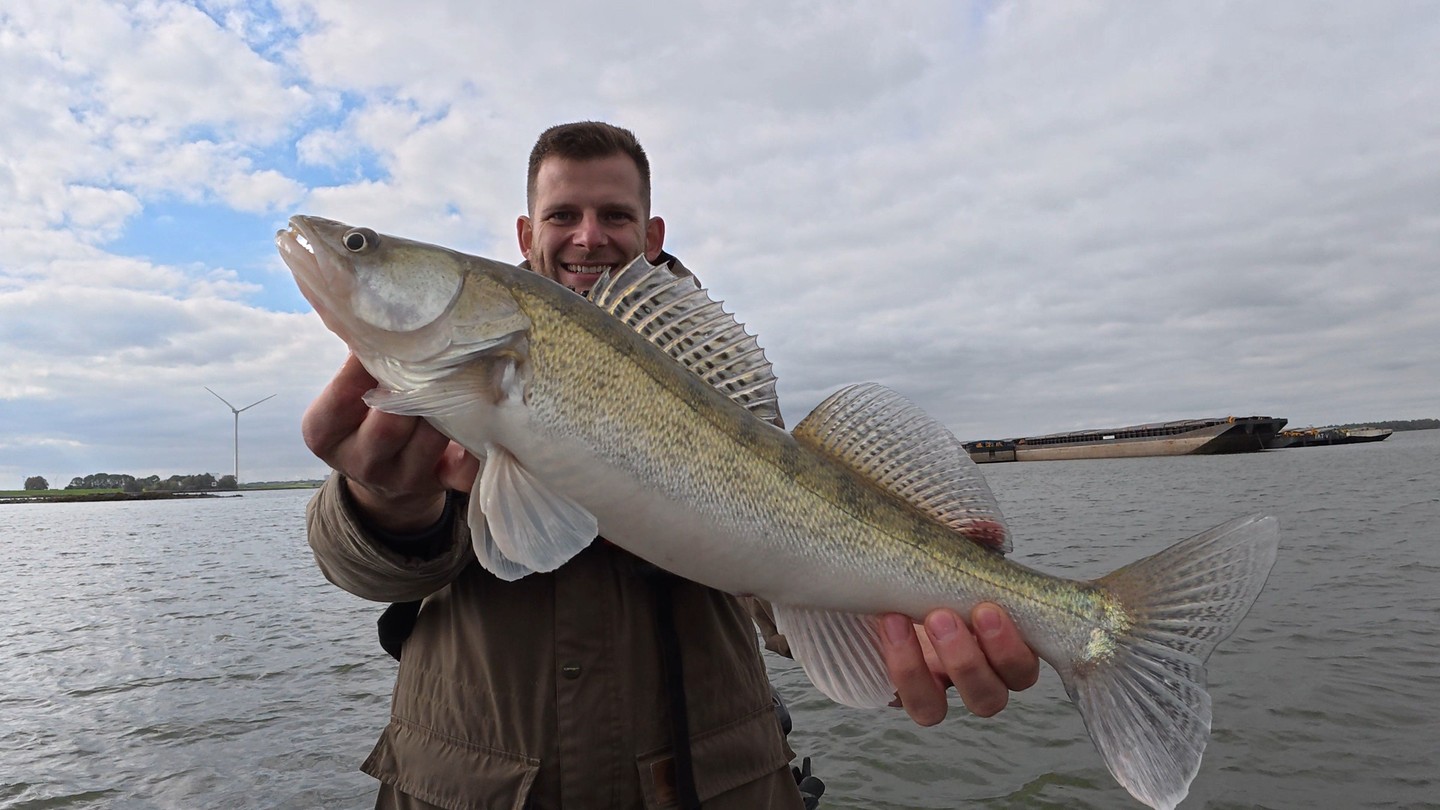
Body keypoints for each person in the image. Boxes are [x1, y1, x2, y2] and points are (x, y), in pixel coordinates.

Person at [302, 121, 1040, 809]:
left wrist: (902, 633)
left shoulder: (721, 394)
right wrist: (385, 503)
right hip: (474, 786)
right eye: (562, 216)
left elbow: (778, 591)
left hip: (713, 785)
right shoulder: (446, 381)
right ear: (526, 234)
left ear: (651, 235)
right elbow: (364, 574)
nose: (588, 236)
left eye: (615, 216)